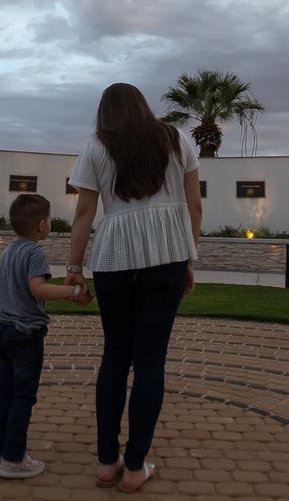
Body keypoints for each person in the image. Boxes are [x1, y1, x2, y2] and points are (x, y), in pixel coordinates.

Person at [65, 83, 202, 493]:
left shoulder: (95, 145)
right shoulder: (176, 138)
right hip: (169, 256)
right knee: (150, 360)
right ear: (143, 106)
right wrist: (188, 257)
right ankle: (136, 465)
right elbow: (195, 205)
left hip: (114, 259)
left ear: (104, 113)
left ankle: (107, 462)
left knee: (115, 356)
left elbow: (85, 212)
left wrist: (73, 267)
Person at [0, 193, 91, 479]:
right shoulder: (34, 253)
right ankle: (14, 459)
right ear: (42, 225)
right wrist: (73, 292)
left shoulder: (7, 252)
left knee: (5, 394)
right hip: (25, 336)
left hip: (2, 332)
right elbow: (38, 289)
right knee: (23, 397)